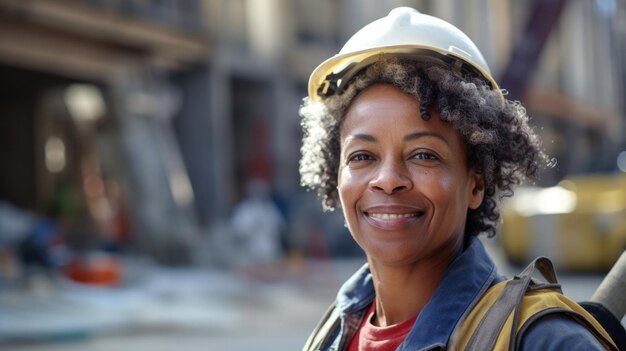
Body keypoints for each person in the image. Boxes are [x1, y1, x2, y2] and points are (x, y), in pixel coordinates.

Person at [298, 7, 617, 351]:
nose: (388, 180)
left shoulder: (544, 340)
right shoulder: (334, 330)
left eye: (424, 155)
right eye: (362, 157)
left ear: (476, 184)